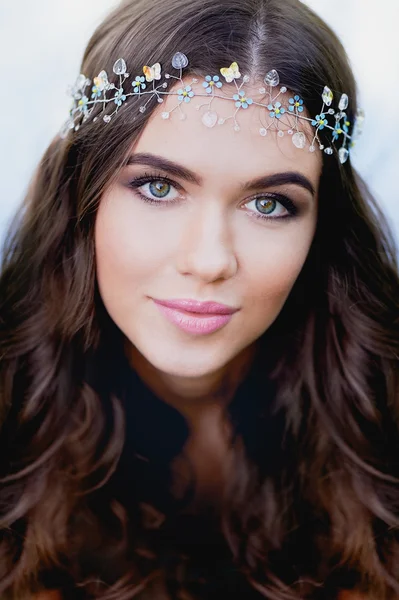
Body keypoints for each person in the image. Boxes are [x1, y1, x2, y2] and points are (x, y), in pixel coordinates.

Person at [0, 0, 398, 598]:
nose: (210, 260)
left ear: (321, 228)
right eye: (158, 187)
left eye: (269, 204)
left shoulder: (383, 421)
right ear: (83, 194)